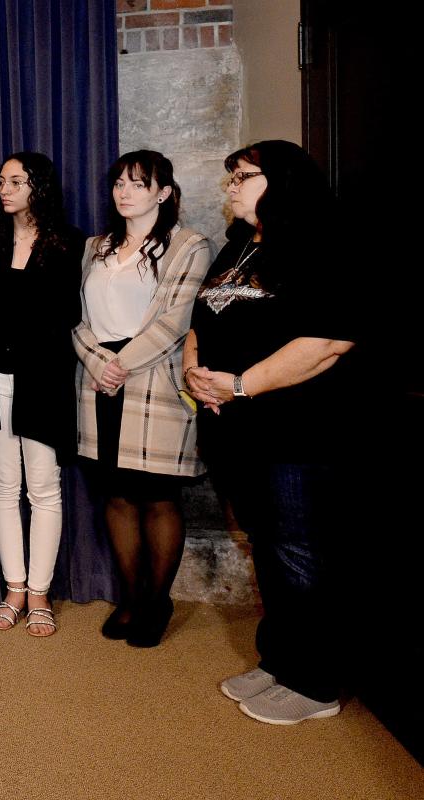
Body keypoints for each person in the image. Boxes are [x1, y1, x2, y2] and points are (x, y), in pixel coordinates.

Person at [184, 141, 358, 725]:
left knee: (301, 555)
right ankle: (281, 661)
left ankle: (315, 684)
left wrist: (239, 385)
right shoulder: (239, 247)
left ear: (281, 180)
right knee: (271, 550)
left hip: (297, 435)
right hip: (238, 433)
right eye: (229, 176)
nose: (230, 186)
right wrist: (195, 373)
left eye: (242, 176)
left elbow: (327, 342)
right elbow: (200, 320)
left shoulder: (319, 244)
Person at [72, 150, 210, 647]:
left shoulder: (189, 244)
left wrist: (122, 364)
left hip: (154, 379)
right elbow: (79, 320)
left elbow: (176, 320)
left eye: (136, 183)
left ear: (164, 192)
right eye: (118, 184)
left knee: (157, 495)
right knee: (117, 494)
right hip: (98, 382)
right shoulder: (96, 246)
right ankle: (130, 598)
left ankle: (157, 601)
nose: (123, 192)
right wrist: (97, 362)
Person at [0, 153, 83, 637]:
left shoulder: (70, 244)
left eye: (15, 181)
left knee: (44, 487)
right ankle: (14, 588)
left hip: (43, 379)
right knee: (2, 484)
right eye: (1, 181)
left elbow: (66, 316)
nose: (4, 188)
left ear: (38, 186)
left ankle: (40, 592)